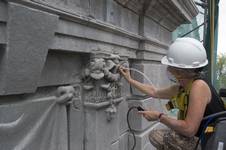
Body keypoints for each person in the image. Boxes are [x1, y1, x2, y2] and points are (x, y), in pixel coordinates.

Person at [119, 37, 225, 150]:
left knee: (157, 136)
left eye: (170, 66)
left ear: (180, 70)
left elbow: (189, 129)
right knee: (162, 135)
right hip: (203, 135)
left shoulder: (198, 87)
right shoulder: (184, 85)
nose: (168, 69)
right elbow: (154, 91)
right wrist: (130, 80)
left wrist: (159, 117)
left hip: (210, 141)